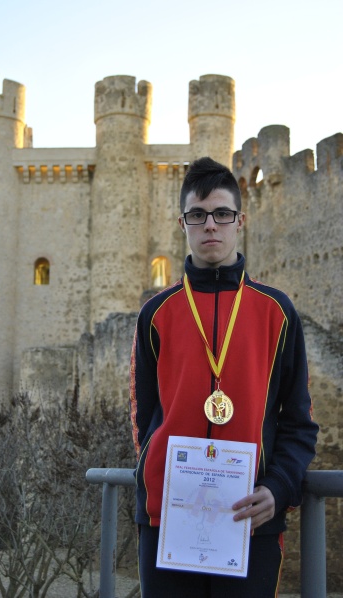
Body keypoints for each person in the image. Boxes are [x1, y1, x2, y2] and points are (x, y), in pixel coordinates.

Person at [129, 157, 318, 597]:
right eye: (197, 215)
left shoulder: (277, 311)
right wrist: (158, 478)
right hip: (167, 518)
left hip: (251, 517)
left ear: (240, 221)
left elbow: (299, 419)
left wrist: (280, 485)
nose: (210, 225)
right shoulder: (155, 314)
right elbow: (143, 414)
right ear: (183, 223)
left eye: (222, 214)